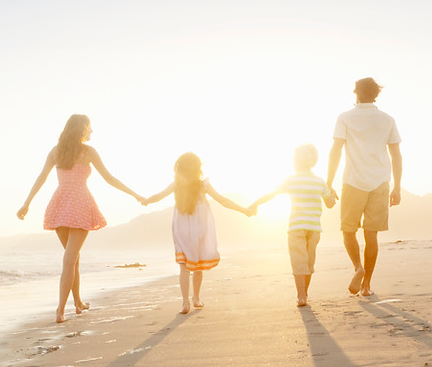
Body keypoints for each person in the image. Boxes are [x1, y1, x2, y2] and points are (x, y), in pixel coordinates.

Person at [17, 114, 144, 323]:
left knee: (72, 257)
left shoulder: (56, 151)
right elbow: (109, 178)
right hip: (80, 204)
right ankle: (60, 310)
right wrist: (135, 194)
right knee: (70, 259)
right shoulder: (88, 152)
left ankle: (77, 303)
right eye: (89, 128)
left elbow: (42, 177)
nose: (92, 132)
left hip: (59, 204)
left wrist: (27, 203)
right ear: (82, 129)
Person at [144, 152, 251, 314]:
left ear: (179, 168)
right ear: (198, 168)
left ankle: (185, 302)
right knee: (197, 267)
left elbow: (157, 197)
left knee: (184, 268)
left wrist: (144, 200)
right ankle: (196, 298)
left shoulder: (176, 185)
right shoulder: (204, 185)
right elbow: (223, 200)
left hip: (181, 230)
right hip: (200, 229)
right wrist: (244, 210)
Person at [327, 77, 402, 296]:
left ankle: (357, 268)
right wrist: (397, 186)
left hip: (352, 181)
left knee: (348, 231)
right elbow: (396, 155)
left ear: (356, 93)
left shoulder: (345, 118)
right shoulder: (387, 119)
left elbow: (336, 151)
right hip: (380, 182)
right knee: (372, 236)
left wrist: (329, 183)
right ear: (376, 94)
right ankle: (367, 285)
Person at [248, 144, 335, 307]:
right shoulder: (319, 182)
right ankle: (305, 293)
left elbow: (271, 194)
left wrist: (255, 203)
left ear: (295, 160)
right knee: (309, 263)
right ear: (314, 161)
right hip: (314, 228)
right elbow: (330, 204)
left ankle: (301, 296)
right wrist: (332, 194)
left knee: (298, 261)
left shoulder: (290, 180)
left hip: (296, 227)